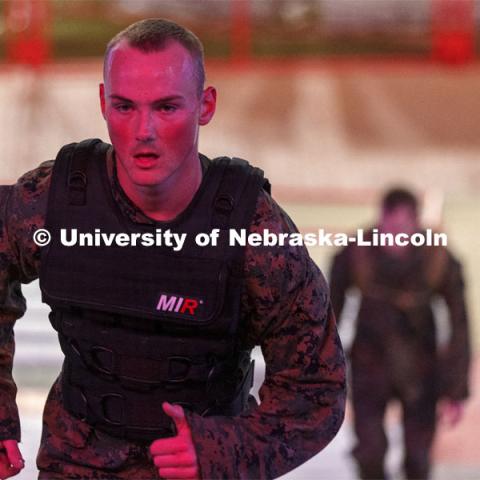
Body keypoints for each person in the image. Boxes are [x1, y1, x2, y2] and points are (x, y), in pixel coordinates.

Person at [0, 18, 346, 480]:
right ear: (103, 103)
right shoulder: (54, 201)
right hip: (76, 462)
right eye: (124, 107)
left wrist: (227, 450)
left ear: (205, 106)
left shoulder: (256, 234)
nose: (144, 130)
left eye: (166, 108)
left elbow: (317, 389)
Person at [329, 187, 471, 480]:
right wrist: (325, 374)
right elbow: (328, 315)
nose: (395, 235)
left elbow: (460, 323)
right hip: (370, 364)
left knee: (418, 461)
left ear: (416, 222)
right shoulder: (358, 252)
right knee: (369, 453)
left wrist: (456, 389)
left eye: (402, 226)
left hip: (421, 367)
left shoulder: (436, 257)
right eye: (389, 226)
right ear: (381, 219)